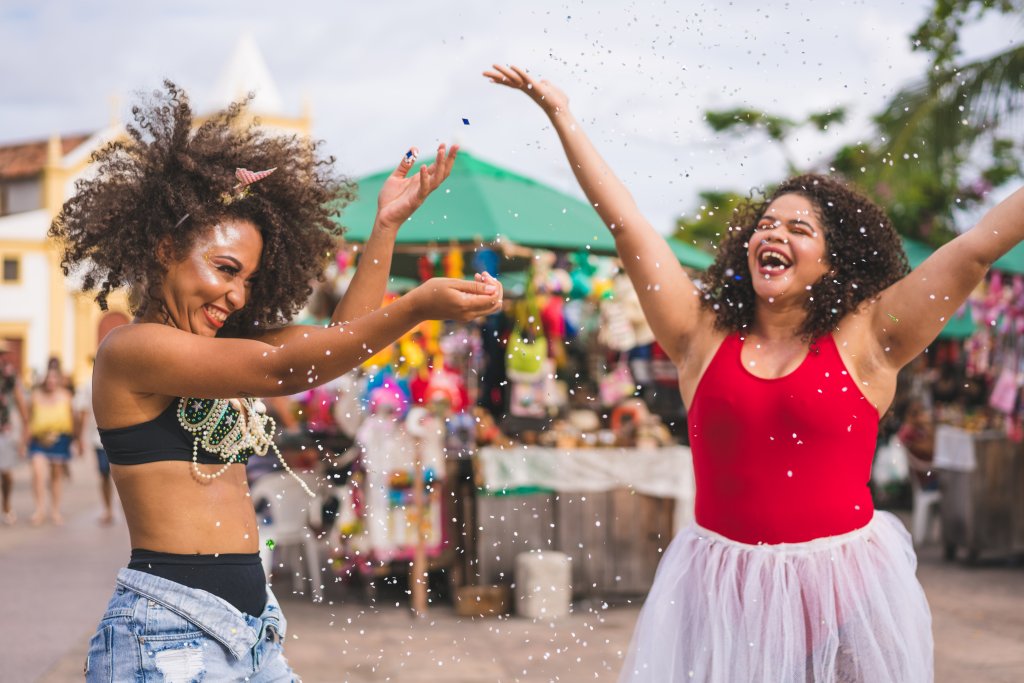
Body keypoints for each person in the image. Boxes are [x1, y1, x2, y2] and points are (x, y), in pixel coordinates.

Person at [486, 64, 1024, 681]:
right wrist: (562, 114)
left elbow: (978, 245)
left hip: (845, 593)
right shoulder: (698, 333)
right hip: (719, 594)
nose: (775, 233)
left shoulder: (870, 336)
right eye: (766, 224)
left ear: (834, 260)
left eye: (799, 228)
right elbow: (627, 223)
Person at [51, 82, 502, 682]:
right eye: (224, 269)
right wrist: (417, 305)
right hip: (169, 636)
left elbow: (340, 342)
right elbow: (281, 370)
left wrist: (385, 228)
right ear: (164, 249)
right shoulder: (132, 351)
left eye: (248, 280)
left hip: (253, 632)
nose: (235, 295)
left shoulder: (218, 347)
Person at [27, 366, 76, 525]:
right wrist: (23, 441)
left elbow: (73, 418)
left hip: (60, 440)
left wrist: (76, 440)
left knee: (56, 476)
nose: (51, 381)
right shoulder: (35, 396)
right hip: (38, 440)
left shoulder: (66, 396)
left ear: (59, 380)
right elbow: (28, 420)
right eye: (48, 378)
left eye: (54, 378)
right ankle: (39, 509)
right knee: (38, 473)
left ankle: (55, 510)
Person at [73, 366, 115, 524]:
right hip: (98, 438)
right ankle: (108, 508)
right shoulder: (88, 384)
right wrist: (80, 439)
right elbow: (83, 413)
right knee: (104, 474)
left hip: (120, 437)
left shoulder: (119, 380)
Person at [0, 341, 29, 525]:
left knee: (6, 473)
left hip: (5, 429)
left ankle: (6, 505)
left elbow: (20, 402)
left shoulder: (10, 376)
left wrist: (26, 431)